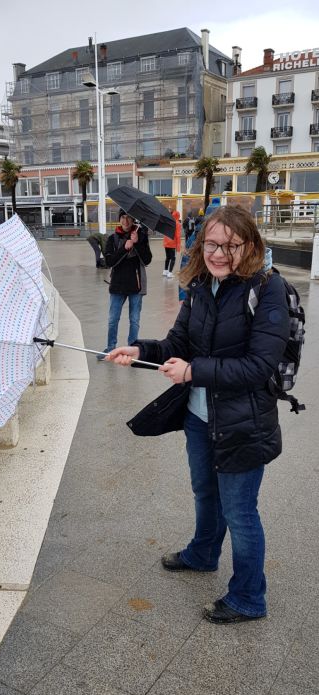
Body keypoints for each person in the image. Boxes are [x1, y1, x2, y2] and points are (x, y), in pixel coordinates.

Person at [106, 206, 290, 624]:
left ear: (250, 246)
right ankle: (203, 553)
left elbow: (259, 366)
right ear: (199, 244)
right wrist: (139, 351)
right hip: (198, 417)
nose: (219, 253)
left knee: (241, 513)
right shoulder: (200, 286)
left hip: (244, 423)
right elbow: (178, 342)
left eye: (230, 245)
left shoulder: (268, 288)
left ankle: (248, 597)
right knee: (205, 493)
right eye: (211, 244)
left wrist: (193, 371)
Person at [97, 210, 152, 359]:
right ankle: (110, 348)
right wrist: (125, 247)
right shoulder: (113, 238)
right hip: (117, 285)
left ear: (133, 220)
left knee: (134, 320)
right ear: (119, 219)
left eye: (129, 217)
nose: (126, 221)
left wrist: (137, 243)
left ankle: (132, 349)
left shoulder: (141, 236)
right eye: (123, 217)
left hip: (136, 285)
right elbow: (109, 261)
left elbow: (147, 260)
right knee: (112, 319)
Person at [162, 210, 181, 278]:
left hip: (166, 242)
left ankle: (165, 271)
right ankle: (170, 273)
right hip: (172, 243)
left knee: (167, 257)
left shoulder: (169, 222)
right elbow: (178, 235)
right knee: (173, 258)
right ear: (178, 216)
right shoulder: (177, 224)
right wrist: (178, 246)